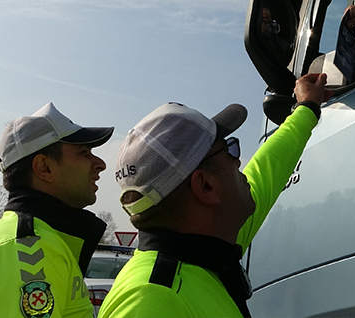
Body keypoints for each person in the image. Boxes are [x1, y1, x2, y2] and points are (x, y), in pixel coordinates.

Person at [98, 73, 331, 318]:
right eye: (230, 149)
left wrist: (307, 108)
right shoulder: (150, 300)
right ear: (206, 186)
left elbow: (268, 169)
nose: (239, 160)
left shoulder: (211, 243)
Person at [0, 103, 114, 318]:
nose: (100, 164)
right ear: (44, 168)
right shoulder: (24, 250)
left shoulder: (24, 240)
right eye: (84, 152)